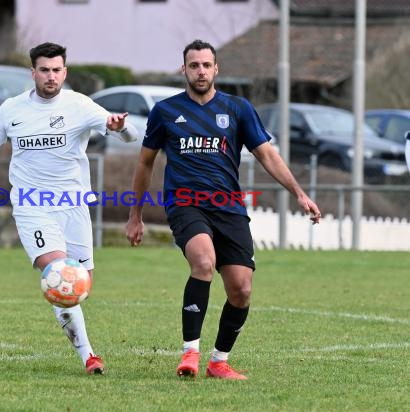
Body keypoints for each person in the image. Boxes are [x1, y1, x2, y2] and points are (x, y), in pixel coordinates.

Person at [125, 39, 321, 380]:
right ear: (183, 70)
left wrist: (299, 194)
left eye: (206, 65)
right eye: (194, 65)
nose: (200, 71)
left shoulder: (238, 109)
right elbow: (144, 164)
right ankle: (190, 354)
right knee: (203, 262)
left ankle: (219, 362)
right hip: (185, 204)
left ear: (216, 69)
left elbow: (267, 155)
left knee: (241, 289)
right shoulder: (166, 111)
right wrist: (135, 214)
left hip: (228, 207)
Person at [0, 42, 138, 375]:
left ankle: (83, 346)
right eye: (44, 70)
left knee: (80, 285)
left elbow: (130, 136)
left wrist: (120, 127)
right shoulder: (12, 110)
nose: (51, 76)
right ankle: (89, 357)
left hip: (73, 206)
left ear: (64, 72)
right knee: (58, 275)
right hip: (31, 206)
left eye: (56, 70)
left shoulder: (79, 105)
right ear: (33, 73)